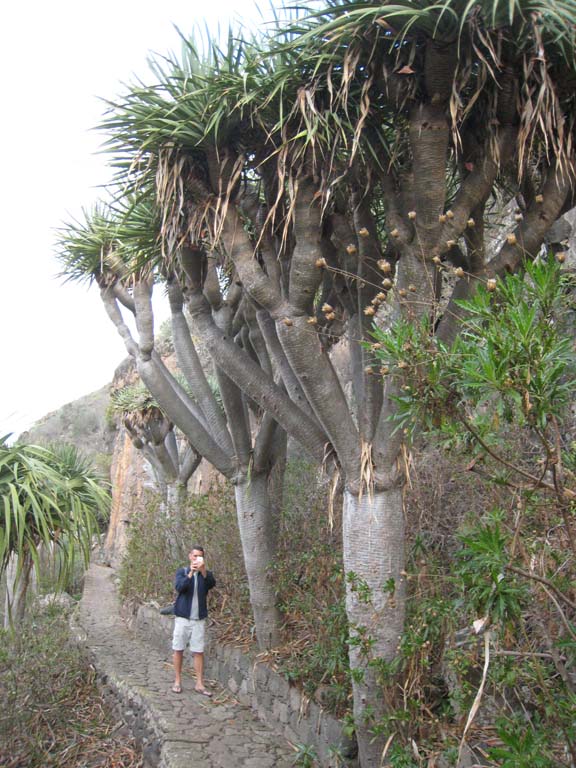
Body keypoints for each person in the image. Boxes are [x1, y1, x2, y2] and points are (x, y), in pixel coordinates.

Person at [171, 545, 216, 695]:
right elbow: (180, 587)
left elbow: (211, 584)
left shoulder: (206, 575)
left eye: (200, 556)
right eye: (195, 556)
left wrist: (202, 571)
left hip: (198, 620)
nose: (197, 558)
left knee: (198, 651)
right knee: (178, 649)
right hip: (183, 618)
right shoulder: (182, 572)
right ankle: (177, 680)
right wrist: (191, 572)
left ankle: (199, 684)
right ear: (190, 556)